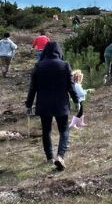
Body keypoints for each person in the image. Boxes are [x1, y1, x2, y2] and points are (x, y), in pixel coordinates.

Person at [26, 41, 79, 171]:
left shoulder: (38, 66)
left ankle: (49, 157)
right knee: (64, 130)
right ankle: (60, 156)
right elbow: (70, 86)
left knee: (46, 131)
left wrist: (29, 105)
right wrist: (76, 101)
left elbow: (33, 88)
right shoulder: (65, 65)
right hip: (61, 103)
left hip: (44, 103)